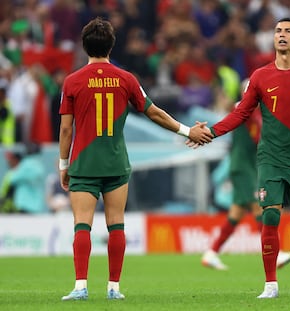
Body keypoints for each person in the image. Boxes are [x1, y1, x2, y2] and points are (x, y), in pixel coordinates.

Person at [188, 17, 290, 298]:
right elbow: (240, 114)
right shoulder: (260, 77)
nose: (281, 35)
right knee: (269, 216)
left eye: (288, 31)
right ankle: (270, 284)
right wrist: (210, 131)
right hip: (270, 158)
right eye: (277, 31)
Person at [59, 17, 212, 301]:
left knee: (83, 225)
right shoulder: (126, 79)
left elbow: (66, 129)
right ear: (112, 46)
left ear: (84, 46)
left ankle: (80, 286)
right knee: (116, 224)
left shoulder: (72, 82)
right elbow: (153, 112)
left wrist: (63, 165)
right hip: (116, 162)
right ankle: (114, 288)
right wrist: (187, 130)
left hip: (84, 162)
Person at [202, 81, 290, 271]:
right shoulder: (246, 109)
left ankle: (211, 253)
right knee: (260, 207)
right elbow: (256, 134)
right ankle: (274, 255)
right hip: (243, 167)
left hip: (246, 167)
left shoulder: (257, 113)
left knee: (236, 213)